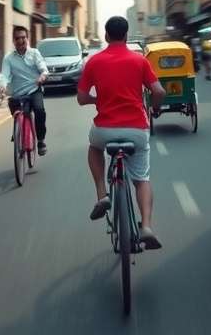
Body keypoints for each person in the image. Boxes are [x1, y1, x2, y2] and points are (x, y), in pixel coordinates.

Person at [77, 16, 166, 250]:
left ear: (106, 36)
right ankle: (146, 226)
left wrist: (99, 100)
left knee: (94, 148)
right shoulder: (140, 60)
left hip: (104, 130)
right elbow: (159, 91)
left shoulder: (94, 62)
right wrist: (154, 108)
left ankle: (102, 195)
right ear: (126, 35)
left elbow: (81, 98)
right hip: (136, 129)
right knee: (141, 179)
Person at [0, 26, 49, 155]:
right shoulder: (8, 58)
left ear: (27, 38)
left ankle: (40, 141)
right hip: (18, 94)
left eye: (23, 37)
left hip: (34, 90)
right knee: (14, 106)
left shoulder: (34, 53)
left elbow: (43, 68)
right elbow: (4, 75)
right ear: (13, 40)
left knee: (39, 111)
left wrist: (42, 76)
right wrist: (2, 86)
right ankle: (18, 131)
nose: (21, 41)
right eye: (17, 38)